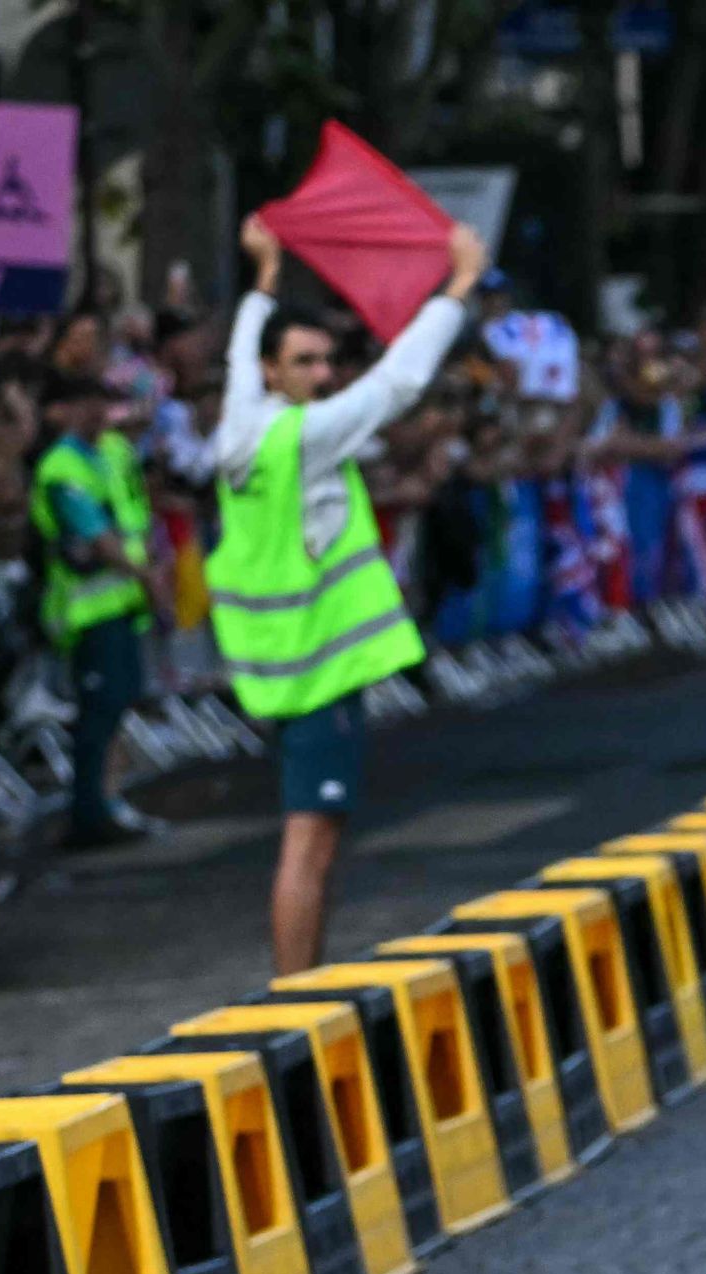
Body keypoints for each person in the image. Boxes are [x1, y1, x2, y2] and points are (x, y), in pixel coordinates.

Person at [213, 210, 485, 977]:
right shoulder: (303, 436)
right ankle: (296, 995)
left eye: (327, 361)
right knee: (311, 839)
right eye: (305, 363)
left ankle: (303, 983)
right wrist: (458, 283)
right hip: (315, 665)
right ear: (276, 372)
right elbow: (397, 383)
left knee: (312, 836)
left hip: (270, 664)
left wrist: (265, 277)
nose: (323, 376)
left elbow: (239, 355)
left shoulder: (241, 424)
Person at [31, 371, 157, 849]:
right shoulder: (61, 467)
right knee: (96, 714)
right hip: (87, 609)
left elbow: (134, 515)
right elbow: (93, 532)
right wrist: (146, 576)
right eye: (82, 401)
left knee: (119, 704)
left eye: (99, 401)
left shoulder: (114, 452)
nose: (95, 411)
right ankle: (88, 813)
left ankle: (109, 801)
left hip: (123, 601)